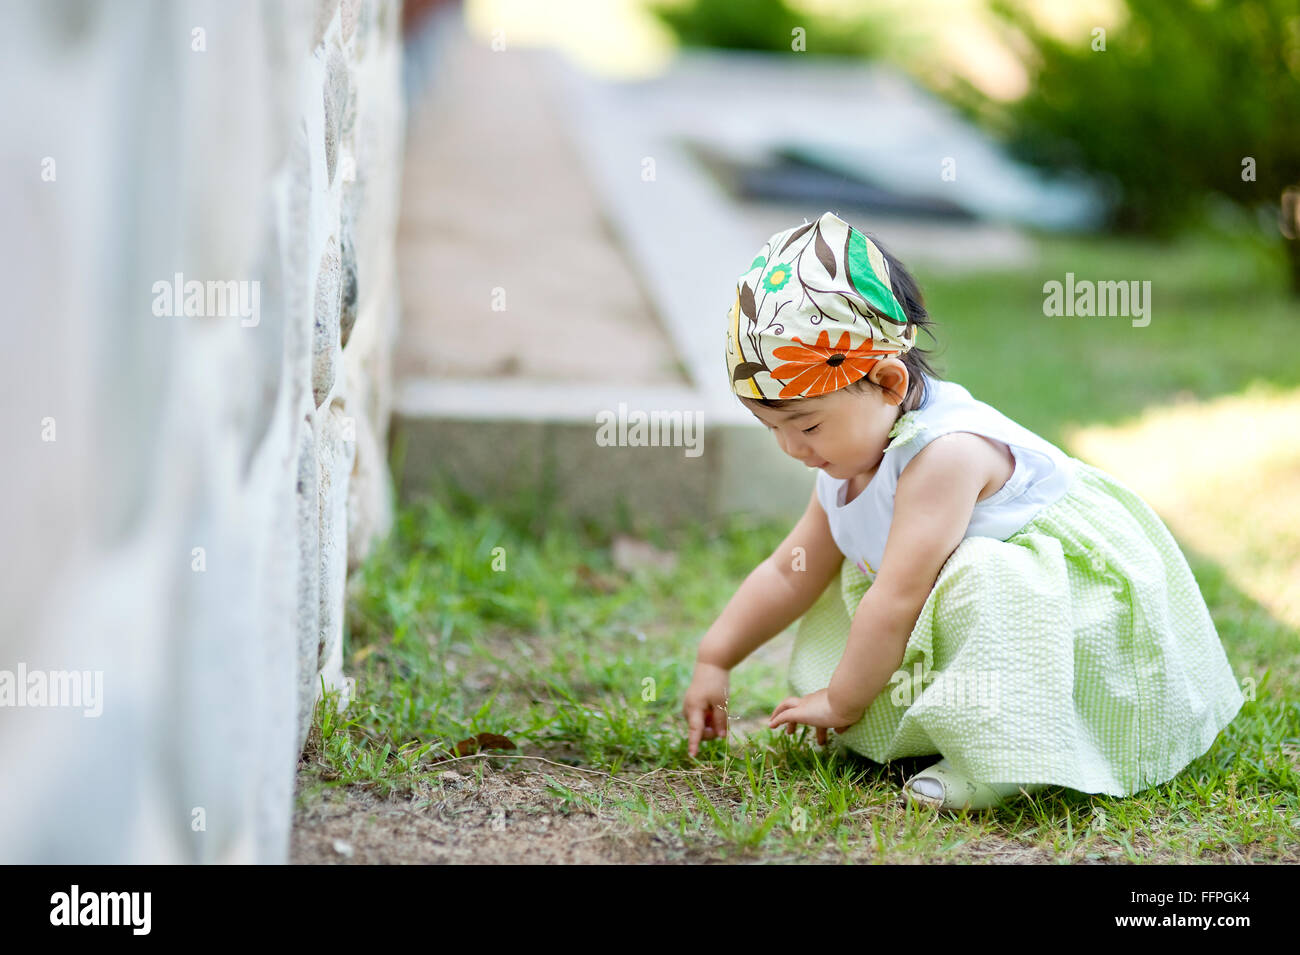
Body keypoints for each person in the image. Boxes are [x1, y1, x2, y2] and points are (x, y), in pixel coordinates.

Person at [681, 210, 1245, 811]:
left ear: (891, 384)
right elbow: (787, 572)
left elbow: (898, 598)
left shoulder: (945, 455)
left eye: (807, 425)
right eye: (773, 429)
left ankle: (999, 760)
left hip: (1070, 615)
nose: (793, 449)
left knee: (973, 577)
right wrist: (716, 657)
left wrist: (841, 701)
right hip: (984, 617)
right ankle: (928, 728)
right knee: (878, 577)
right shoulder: (847, 460)